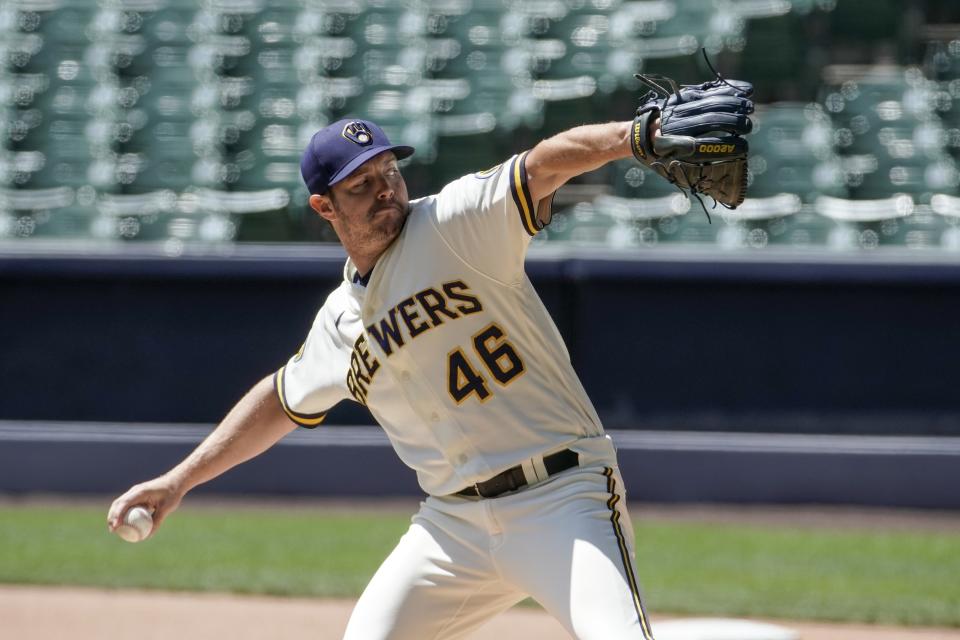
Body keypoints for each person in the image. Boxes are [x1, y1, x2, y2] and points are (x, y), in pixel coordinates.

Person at [109, 116, 664, 639]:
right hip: (453, 526)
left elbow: (543, 164)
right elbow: (279, 401)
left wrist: (636, 134)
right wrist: (177, 480)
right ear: (324, 206)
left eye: (389, 171)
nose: (384, 188)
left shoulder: (454, 223)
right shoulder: (338, 321)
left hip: (561, 497)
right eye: (360, 183)